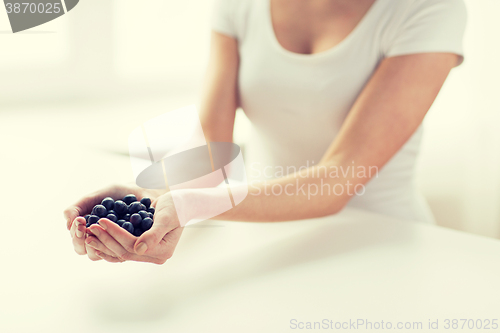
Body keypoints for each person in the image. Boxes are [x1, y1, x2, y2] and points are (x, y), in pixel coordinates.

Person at [65, 0, 467, 264]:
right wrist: (152, 201)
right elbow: (209, 155)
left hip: (383, 244)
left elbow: (339, 179)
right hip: (269, 243)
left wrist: (187, 206)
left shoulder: (428, 9)